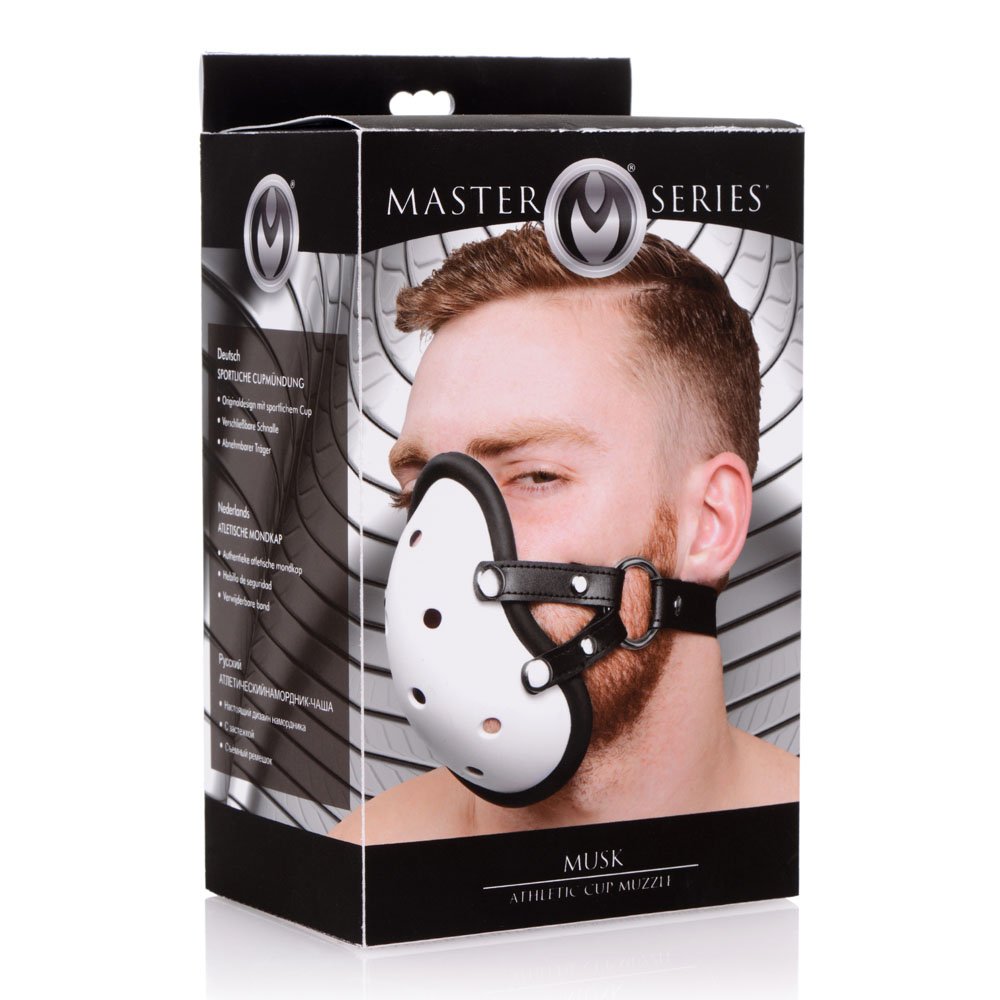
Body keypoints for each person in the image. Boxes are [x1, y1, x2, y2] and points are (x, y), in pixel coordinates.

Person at [332, 224, 798, 844]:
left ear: (711, 523)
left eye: (536, 476)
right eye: (424, 493)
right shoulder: (368, 862)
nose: (443, 553)